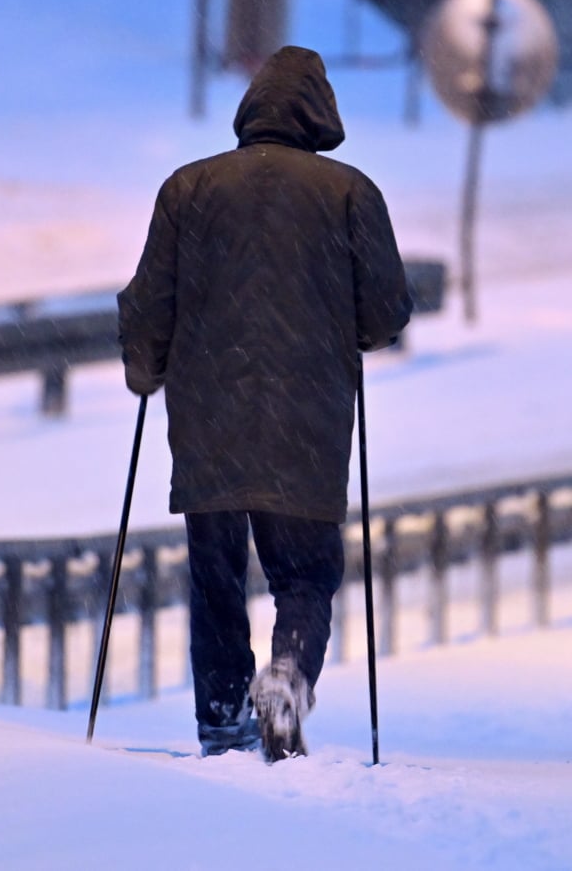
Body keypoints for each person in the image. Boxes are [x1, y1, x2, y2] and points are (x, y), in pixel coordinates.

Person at [117, 46, 412, 762]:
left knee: (215, 572)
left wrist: (145, 370)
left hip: (207, 419)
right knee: (305, 572)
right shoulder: (350, 192)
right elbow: (386, 313)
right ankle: (286, 674)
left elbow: (147, 303)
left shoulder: (186, 188)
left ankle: (221, 712)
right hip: (307, 424)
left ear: (250, 109)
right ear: (321, 113)